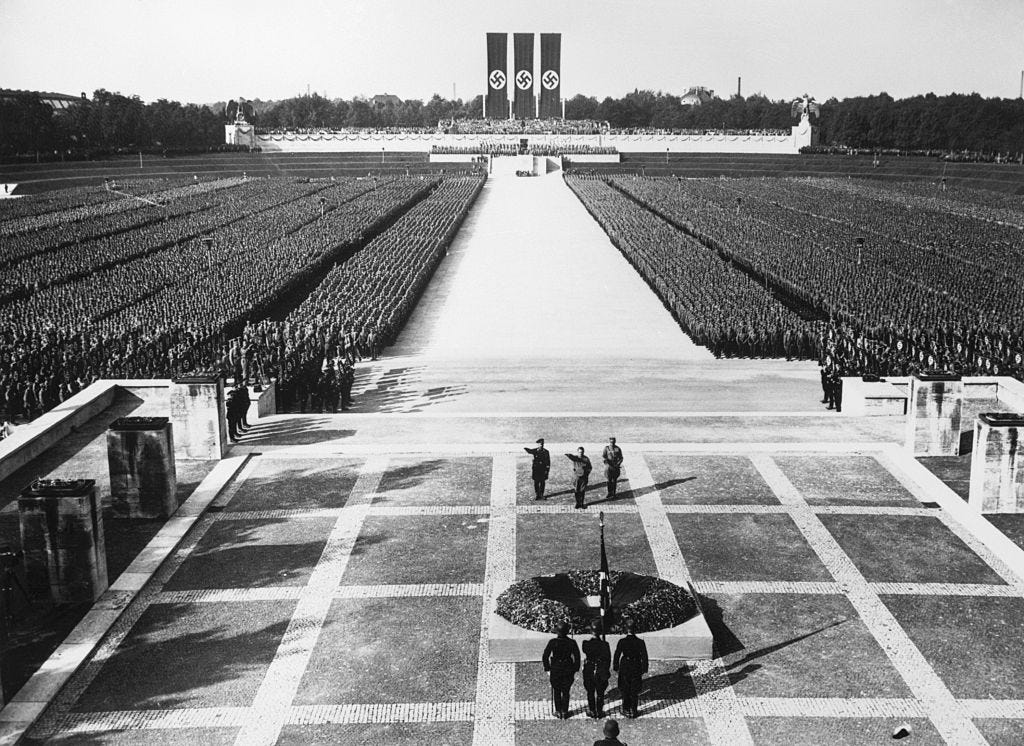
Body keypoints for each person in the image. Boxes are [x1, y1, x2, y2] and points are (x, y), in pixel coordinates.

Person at [542, 621, 580, 719]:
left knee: (557, 690)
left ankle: (558, 711)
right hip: (568, 668)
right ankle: (565, 711)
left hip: (556, 669)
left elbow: (545, 656)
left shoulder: (553, 642)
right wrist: (575, 669)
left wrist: (547, 668)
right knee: (566, 691)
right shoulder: (572, 642)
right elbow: (577, 657)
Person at [613, 621, 648, 718]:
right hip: (636, 665)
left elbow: (617, 654)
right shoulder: (640, 642)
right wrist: (644, 669)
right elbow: (644, 656)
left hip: (625, 665)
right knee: (634, 690)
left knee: (625, 689)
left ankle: (626, 709)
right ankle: (634, 710)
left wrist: (616, 666)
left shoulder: (622, 641)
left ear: (626, 629)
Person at [582, 620, 611, 718]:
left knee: (590, 692)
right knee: (600, 693)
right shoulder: (605, 645)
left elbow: (586, 650)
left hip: (589, 669)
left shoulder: (586, 644)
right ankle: (599, 711)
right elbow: (608, 659)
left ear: (591, 631)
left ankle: (592, 710)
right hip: (601, 670)